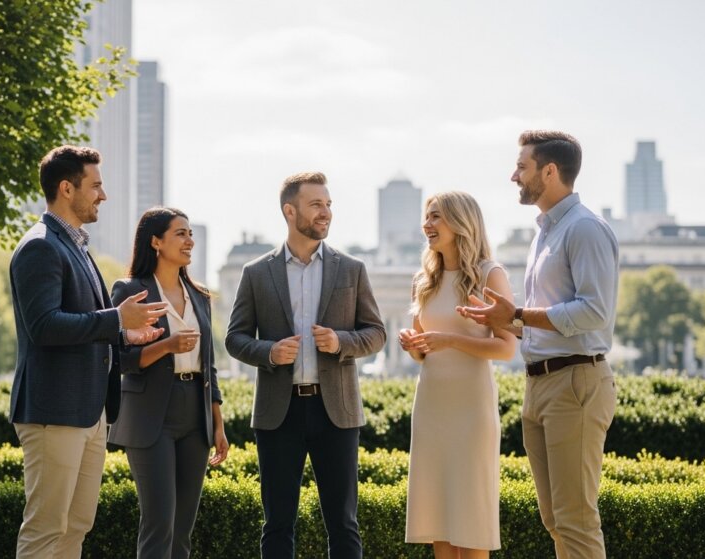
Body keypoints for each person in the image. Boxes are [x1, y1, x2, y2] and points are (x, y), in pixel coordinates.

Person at [458, 131, 619, 559]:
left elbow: (593, 312)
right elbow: (543, 321)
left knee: (576, 519)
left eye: (522, 167)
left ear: (550, 172)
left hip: (575, 382)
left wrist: (516, 316)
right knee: (555, 519)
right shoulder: (546, 234)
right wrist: (498, 321)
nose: (514, 175)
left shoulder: (584, 229)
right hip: (542, 383)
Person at [9, 145, 166, 559]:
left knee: (76, 525)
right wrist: (116, 320)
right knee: (46, 528)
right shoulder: (40, 247)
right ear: (66, 188)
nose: (103, 195)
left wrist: (124, 337)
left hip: (87, 412)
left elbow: (81, 323)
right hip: (55, 412)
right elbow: (44, 326)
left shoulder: (74, 246)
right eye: (95, 185)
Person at [226, 171, 386, 559]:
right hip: (279, 413)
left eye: (328, 205)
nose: (326, 212)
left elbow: (376, 332)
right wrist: (268, 352)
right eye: (316, 205)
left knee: (343, 524)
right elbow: (235, 338)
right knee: (278, 524)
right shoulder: (256, 273)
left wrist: (341, 342)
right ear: (289, 210)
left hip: (337, 413)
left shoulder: (351, 269)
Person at [399, 191, 517, 559]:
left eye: (436, 217)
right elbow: (424, 351)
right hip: (432, 407)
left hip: (471, 411)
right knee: (438, 520)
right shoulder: (425, 280)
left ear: (460, 222)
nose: (427, 225)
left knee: (470, 520)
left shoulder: (489, 275)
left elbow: (507, 348)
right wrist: (414, 346)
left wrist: (450, 340)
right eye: (426, 217)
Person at [108, 207, 230, 558]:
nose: (189, 240)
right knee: (159, 522)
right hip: (150, 415)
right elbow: (120, 360)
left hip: (196, 413)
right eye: (180, 233)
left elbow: (210, 366)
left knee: (182, 529)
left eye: (191, 233)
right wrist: (166, 347)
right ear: (156, 242)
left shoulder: (201, 296)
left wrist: (217, 423)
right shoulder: (131, 291)